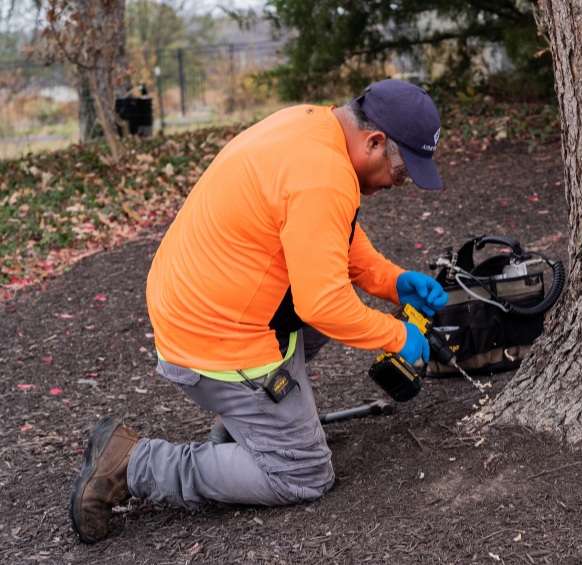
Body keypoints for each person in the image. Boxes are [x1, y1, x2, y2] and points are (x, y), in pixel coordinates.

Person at [69, 79, 449, 543]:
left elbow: (329, 234)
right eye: (402, 170)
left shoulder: (313, 126)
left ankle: (246, 419)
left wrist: (391, 282)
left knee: (327, 306)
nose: (399, 182)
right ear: (374, 142)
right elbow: (322, 302)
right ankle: (132, 464)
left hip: (200, 307)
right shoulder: (323, 175)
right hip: (216, 339)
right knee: (303, 474)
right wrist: (397, 336)